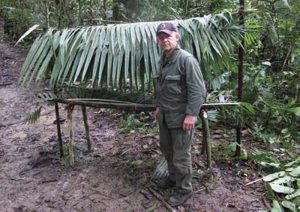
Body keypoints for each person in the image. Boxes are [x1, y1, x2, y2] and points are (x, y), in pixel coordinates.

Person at [153, 22, 207, 206]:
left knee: (181, 156)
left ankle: (184, 190)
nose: (164, 39)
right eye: (160, 37)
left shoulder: (186, 59)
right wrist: (159, 107)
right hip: (166, 117)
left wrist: (192, 115)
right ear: (157, 40)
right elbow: (163, 88)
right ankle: (174, 179)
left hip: (182, 118)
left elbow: (198, 90)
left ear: (177, 37)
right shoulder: (164, 59)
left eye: (167, 35)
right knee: (167, 150)